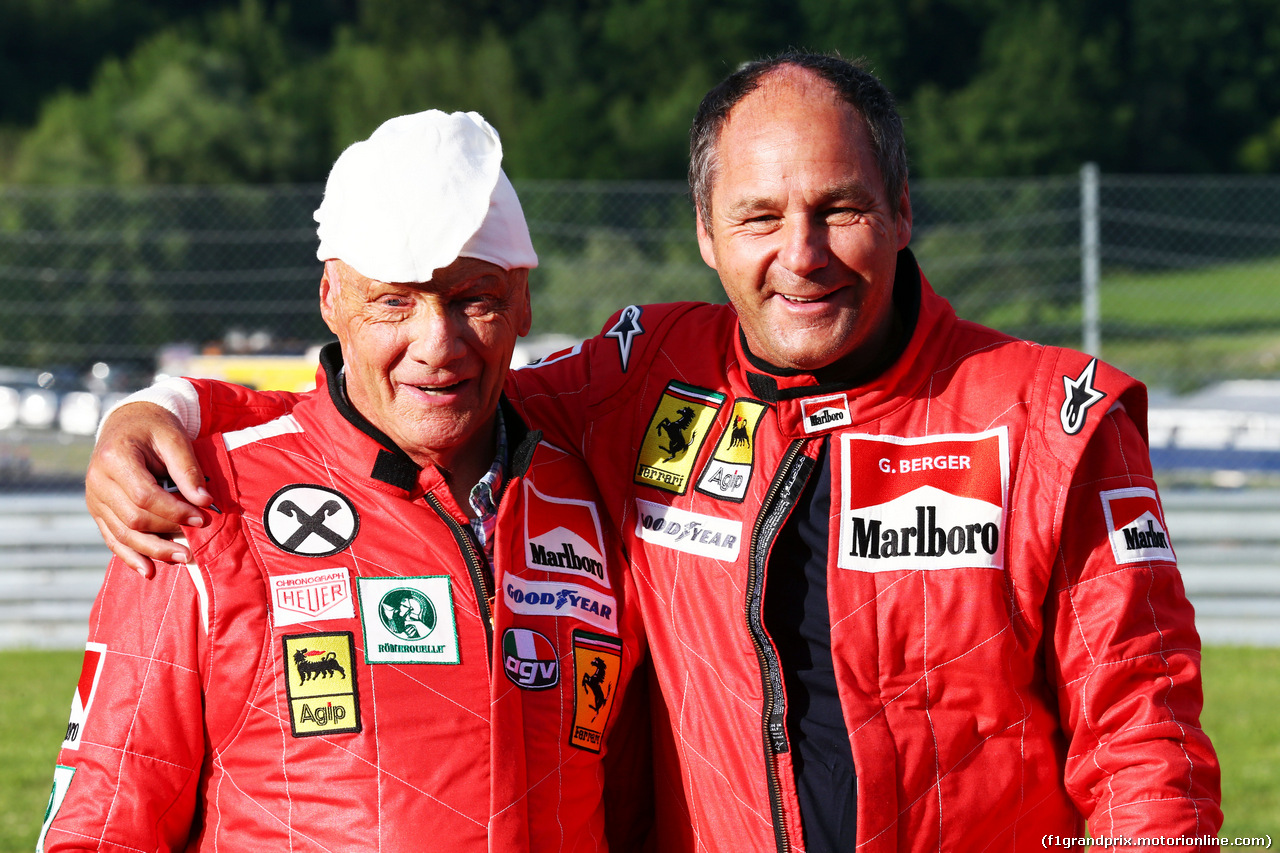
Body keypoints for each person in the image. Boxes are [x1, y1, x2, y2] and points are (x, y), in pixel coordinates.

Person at [82, 54, 1222, 851]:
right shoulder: (651, 374)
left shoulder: (1049, 421)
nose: (802, 254)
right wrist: (167, 402)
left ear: (904, 209)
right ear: (704, 236)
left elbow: (1146, 748)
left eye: (839, 209)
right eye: (760, 217)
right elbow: (408, 403)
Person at [38, 110, 647, 852]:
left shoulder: (597, 491)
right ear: (331, 300)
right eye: (395, 300)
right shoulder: (201, 501)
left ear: (522, 298)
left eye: (473, 298)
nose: (438, 344)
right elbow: (102, 828)